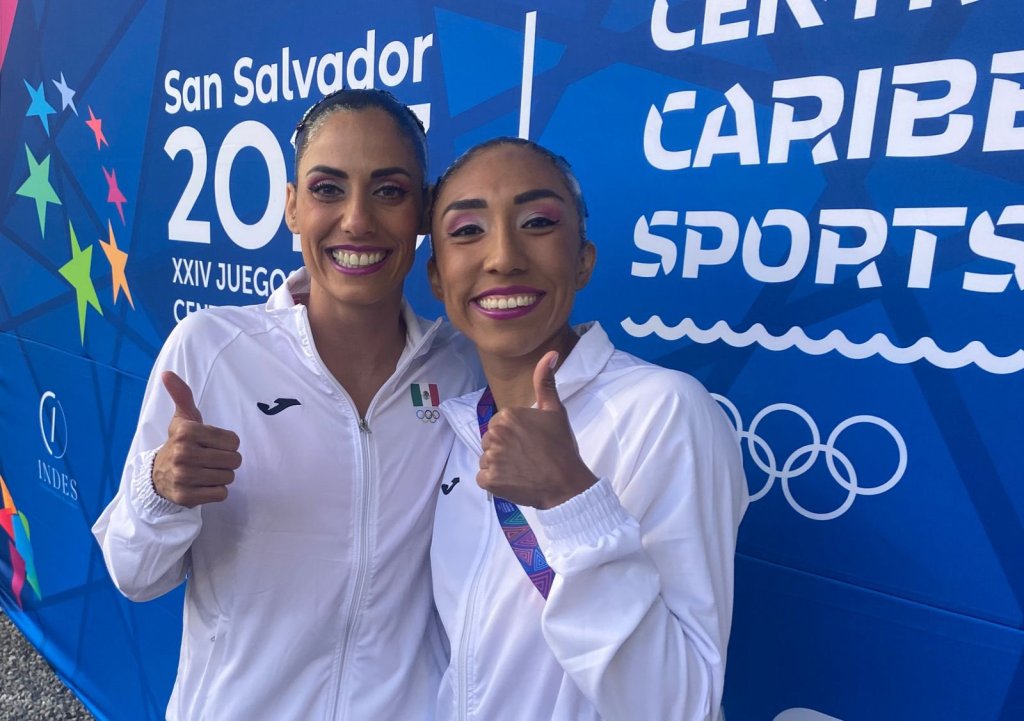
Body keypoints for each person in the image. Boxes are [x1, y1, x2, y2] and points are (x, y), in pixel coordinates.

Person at [92, 89, 480, 721]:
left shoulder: (459, 369)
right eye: (328, 189)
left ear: (422, 213)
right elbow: (135, 576)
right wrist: (158, 487)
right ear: (292, 207)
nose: (357, 218)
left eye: (388, 190)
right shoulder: (213, 350)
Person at [426, 137, 748, 720]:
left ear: (583, 260)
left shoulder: (665, 412)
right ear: (436, 278)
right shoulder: (455, 428)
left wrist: (571, 500)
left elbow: (684, 708)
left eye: (537, 222)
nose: (502, 256)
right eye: (467, 230)